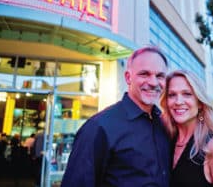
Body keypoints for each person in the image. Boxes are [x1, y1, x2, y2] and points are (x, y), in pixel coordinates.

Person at [61, 46, 171, 187]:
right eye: (144, 74)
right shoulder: (99, 127)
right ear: (128, 77)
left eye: (160, 76)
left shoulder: (163, 124)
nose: (153, 82)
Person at [160, 70, 213, 187]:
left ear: (200, 102)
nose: (178, 101)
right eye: (172, 95)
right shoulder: (167, 140)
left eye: (187, 94)